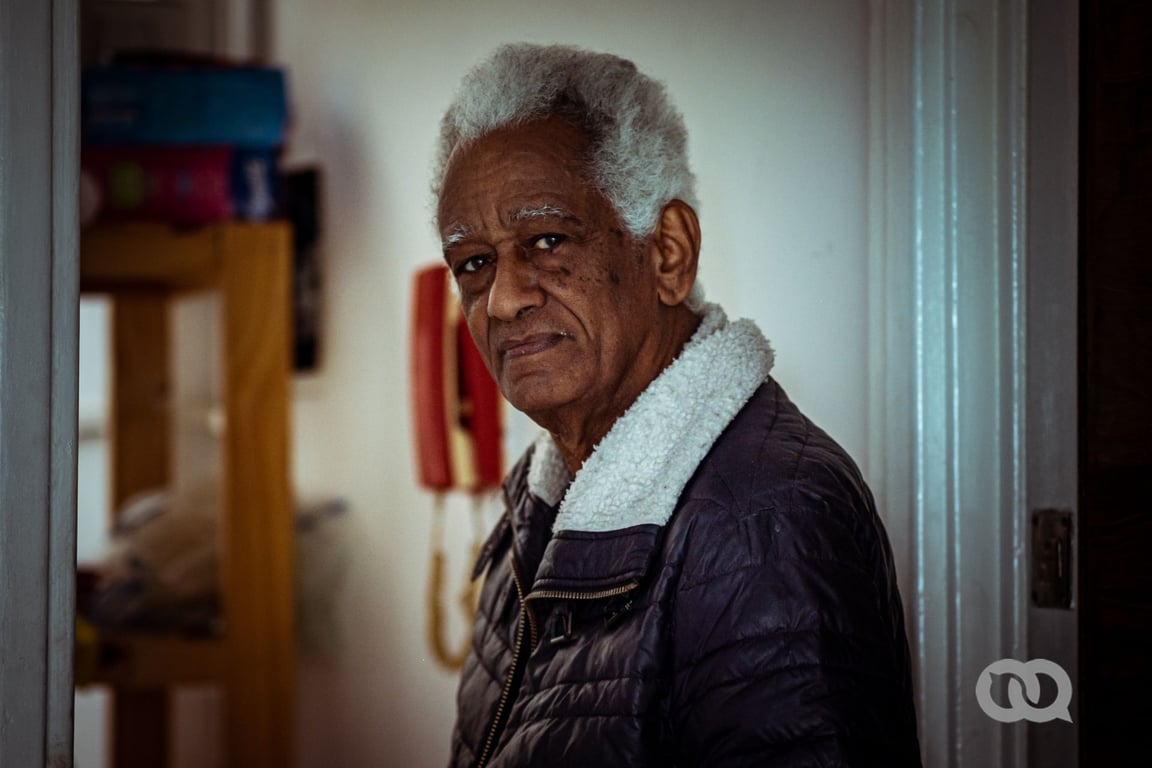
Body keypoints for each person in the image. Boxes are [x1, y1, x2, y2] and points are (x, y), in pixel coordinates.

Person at [434, 43, 922, 767]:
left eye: (546, 240)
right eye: (474, 262)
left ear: (667, 252)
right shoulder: (535, 509)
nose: (503, 300)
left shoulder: (766, 522)